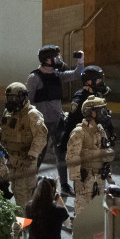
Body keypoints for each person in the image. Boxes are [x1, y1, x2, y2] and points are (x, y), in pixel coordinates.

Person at [26, 45, 85, 195]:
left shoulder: (57, 75)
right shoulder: (35, 78)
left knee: (62, 153)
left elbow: (77, 74)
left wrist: (80, 61)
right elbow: (29, 102)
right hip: (42, 124)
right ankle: (30, 184)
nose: (58, 60)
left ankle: (64, 185)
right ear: (46, 60)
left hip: (57, 122)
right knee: (38, 154)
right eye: (56, 57)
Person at [0, 82, 47, 207]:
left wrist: (31, 156)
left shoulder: (32, 114)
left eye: (15, 98)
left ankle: (26, 225)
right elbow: (4, 133)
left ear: (23, 97)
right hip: (11, 159)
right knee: (16, 191)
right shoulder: (8, 113)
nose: (12, 101)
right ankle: (25, 222)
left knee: (24, 194)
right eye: (9, 98)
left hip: (25, 161)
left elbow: (41, 136)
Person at [66, 96, 115, 215]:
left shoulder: (100, 129)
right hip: (85, 180)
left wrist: (108, 176)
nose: (103, 113)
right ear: (89, 112)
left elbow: (106, 152)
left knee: (98, 217)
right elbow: (72, 158)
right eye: (100, 110)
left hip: (99, 180)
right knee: (83, 216)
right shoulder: (79, 132)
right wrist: (79, 182)